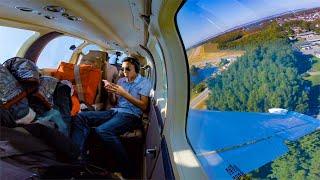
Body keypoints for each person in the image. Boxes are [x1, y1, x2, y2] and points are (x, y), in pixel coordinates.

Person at [71, 57, 151, 177]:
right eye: (123, 69)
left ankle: (127, 169)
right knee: (81, 117)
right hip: (114, 111)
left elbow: (144, 106)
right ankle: (77, 157)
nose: (124, 71)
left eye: (128, 69)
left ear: (137, 69)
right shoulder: (121, 81)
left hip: (130, 115)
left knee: (102, 130)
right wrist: (111, 92)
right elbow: (114, 102)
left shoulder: (144, 82)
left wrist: (124, 93)